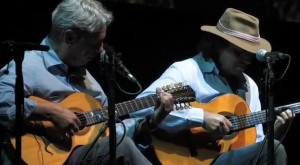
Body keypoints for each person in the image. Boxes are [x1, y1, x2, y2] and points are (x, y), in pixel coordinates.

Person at [0, 0, 175, 164]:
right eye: (95, 43)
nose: (100, 50)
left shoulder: (91, 84)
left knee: (121, 144)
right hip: (37, 156)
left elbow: (111, 132)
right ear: (69, 38)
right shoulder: (29, 65)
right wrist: (49, 111)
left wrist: (151, 122)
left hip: (81, 155)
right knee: (122, 148)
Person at [130, 8, 294, 165]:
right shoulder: (189, 71)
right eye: (238, 52)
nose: (246, 60)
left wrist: (274, 137)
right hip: (184, 157)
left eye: (250, 55)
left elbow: (255, 146)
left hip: (227, 159)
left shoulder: (249, 86)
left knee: (275, 148)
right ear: (218, 45)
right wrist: (202, 118)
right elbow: (141, 107)